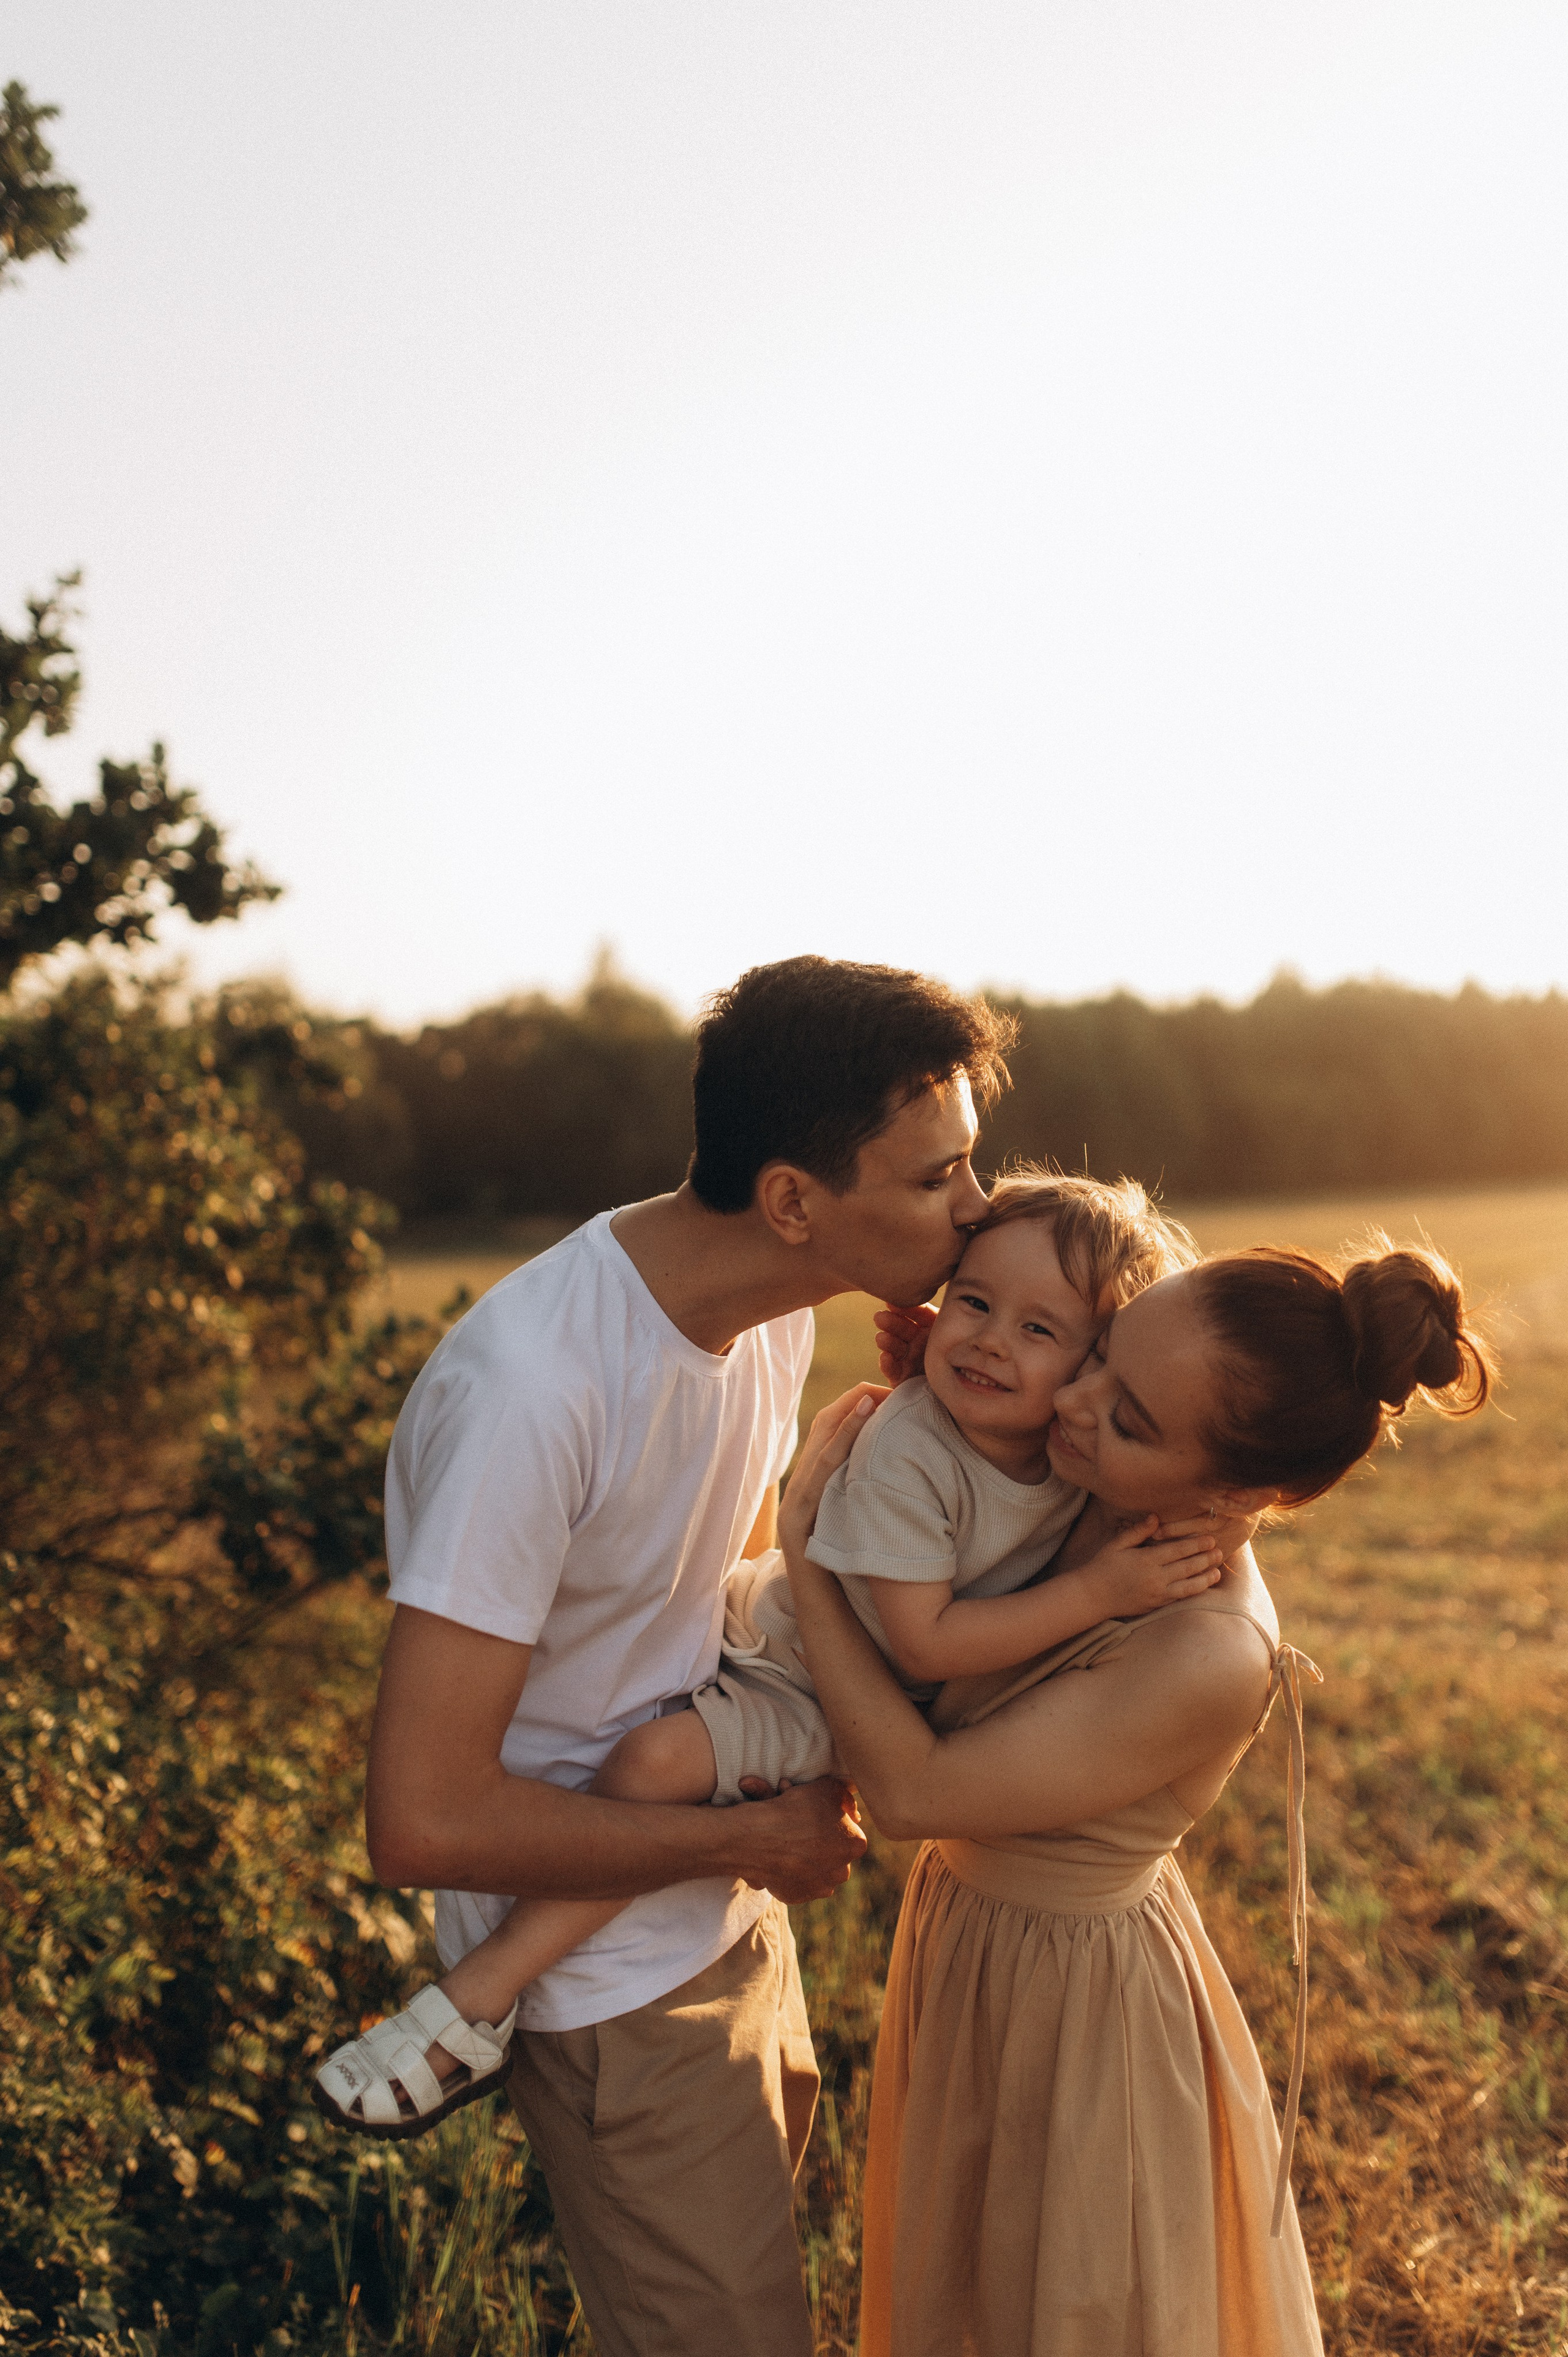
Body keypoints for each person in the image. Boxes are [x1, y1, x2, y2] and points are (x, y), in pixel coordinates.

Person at [314, 956, 1017, 2357]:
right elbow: (423, 1816)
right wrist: (751, 1833)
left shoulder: (771, 1314)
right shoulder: (535, 1393)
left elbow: (716, 1608)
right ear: (793, 1201)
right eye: (937, 1178)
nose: (974, 1209)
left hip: (718, 1898)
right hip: (609, 1985)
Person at [320, 1174, 1224, 2067]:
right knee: (651, 1762)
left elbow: (1206, 1455)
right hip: (802, 1673)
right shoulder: (914, 1448)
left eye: (1037, 1329)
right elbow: (925, 1640)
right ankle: (481, 1996)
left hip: (851, 1688)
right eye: (972, 1304)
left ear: (1099, 1366)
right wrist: (1100, 1594)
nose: (989, 1343)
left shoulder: (1071, 1452)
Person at [779, 1238, 1492, 2357]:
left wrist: (804, 1556)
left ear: (1238, 1492)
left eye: (1130, 1418)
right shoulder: (1107, 1472)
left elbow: (914, 1793)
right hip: (978, 1947)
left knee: (1068, 2301)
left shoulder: (1208, 1651)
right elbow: (1047, 1259)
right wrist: (935, 1353)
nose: (1077, 1403)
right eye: (1104, 1352)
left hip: (1078, 2007)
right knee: (961, 2296)